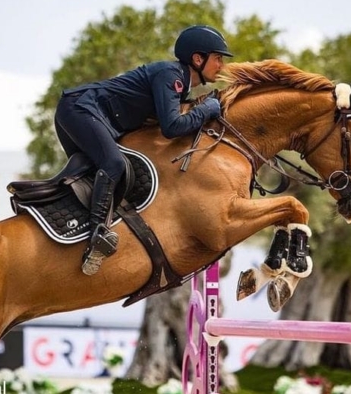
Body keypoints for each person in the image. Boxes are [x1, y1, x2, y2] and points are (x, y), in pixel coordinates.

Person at [55, 25, 233, 276]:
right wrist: (207, 109)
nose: (222, 65)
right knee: (114, 164)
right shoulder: (171, 75)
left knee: (95, 174)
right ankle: (98, 234)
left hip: (83, 112)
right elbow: (172, 127)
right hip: (80, 109)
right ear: (197, 59)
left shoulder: (180, 84)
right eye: (218, 58)